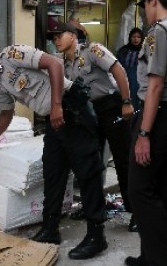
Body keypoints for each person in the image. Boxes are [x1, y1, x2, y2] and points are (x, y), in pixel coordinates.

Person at [0, 43, 108, 260]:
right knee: (53, 173)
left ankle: (97, 236)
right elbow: (6, 114)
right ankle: (50, 229)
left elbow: (54, 64)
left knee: (87, 172)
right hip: (54, 118)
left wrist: (57, 105)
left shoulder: (11, 55)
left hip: (70, 108)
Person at [47, 22, 137, 232]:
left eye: (59, 35)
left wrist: (126, 101)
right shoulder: (61, 63)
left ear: (73, 35)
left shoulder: (93, 50)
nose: (56, 40)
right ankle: (95, 207)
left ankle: (137, 212)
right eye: (53, 38)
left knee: (124, 161)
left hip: (111, 107)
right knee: (91, 162)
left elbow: (119, 71)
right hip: (88, 113)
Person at [126, 0, 167, 265]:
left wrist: (143, 134)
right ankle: (152, 258)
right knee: (162, 188)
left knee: (139, 190)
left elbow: (155, 85)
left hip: (158, 116)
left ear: (153, 0)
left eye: (145, 6)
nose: (144, 13)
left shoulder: (160, 31)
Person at [117, 28, 145, 110]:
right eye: (133, 37)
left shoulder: (145, 52)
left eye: (138, 37)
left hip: (140, 84)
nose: (136, 39)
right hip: (124, 81)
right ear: (130, 38)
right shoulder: (123, 51)